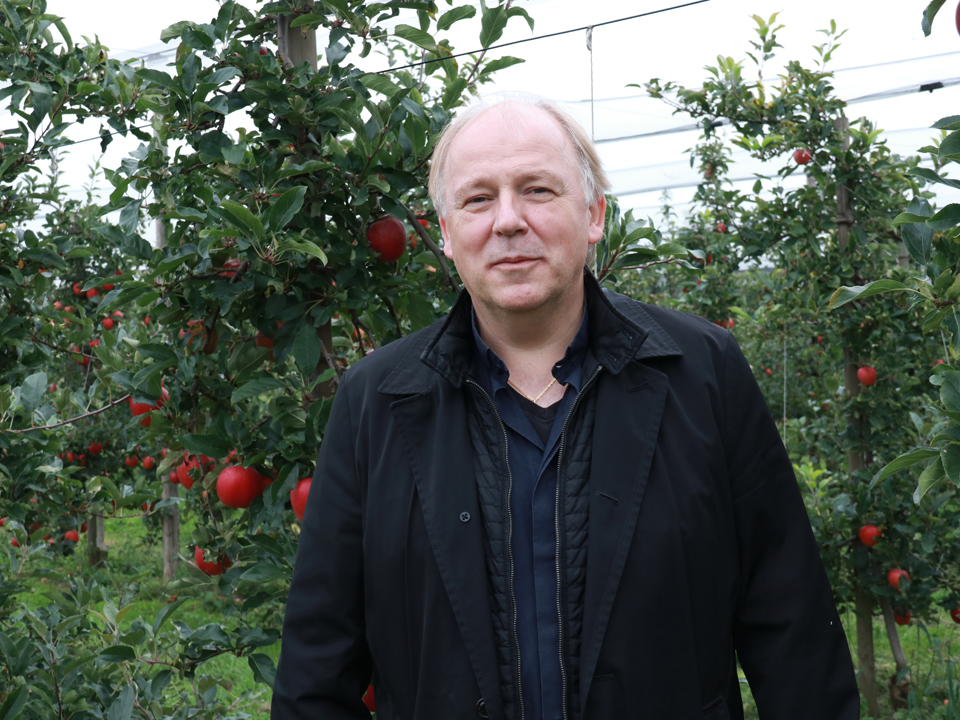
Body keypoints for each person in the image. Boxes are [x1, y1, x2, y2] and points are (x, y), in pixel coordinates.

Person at [271, 94, 859, 720]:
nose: (507, 220)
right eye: (477, 199)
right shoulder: (378, 401)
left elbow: (791, 627)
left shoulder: (700, 371)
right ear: (445, 234)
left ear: (594, 214)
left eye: (538, 190)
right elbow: (318, 665)